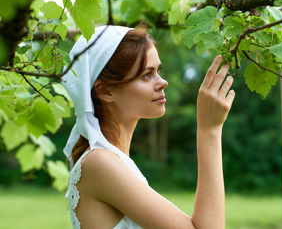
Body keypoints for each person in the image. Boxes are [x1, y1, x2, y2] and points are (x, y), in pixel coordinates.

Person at [61, 25, 235, 229]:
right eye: (146, 75)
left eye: (158, 71)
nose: (163, 82)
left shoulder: (112, 161)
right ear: (106, 91)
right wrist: (209, 131)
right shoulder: (99, 163)